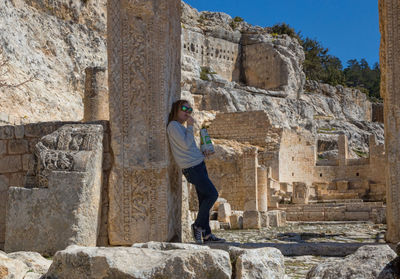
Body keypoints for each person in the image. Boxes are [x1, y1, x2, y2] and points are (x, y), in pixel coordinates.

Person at [167, 99, 225, 244]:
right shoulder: (173, 126)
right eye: (184, 108)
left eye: (190, 110)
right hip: (192, 168)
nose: (187, 112)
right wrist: (190, 126)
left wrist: (202, 153)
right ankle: (197, 225)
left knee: (204, 200)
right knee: (213, 194)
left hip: (198, 164)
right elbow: (186, 144)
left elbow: (189, 148)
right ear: (176, 109)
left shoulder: (180, 127)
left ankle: (206, 234)